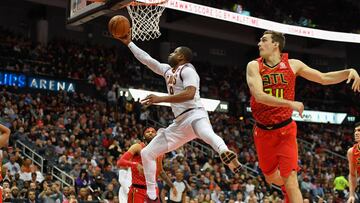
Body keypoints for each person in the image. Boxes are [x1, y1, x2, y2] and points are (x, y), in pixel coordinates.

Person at [117, 31, 242, 202]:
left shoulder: (188, 70)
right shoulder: (168, 70)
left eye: (174, 52)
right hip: (179, 123)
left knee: (207, 134)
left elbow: (190, 94)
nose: (170, 53)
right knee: (147, 153)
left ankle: (225, 152)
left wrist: (160, 99)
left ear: (182, 57)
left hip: (195, 113)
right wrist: (129, 43)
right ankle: (152, 192)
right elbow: (147, 60)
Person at [246, 30, 360, 203]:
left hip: (286, 129)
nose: (259, 44)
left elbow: (323, 77)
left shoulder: (293, 64)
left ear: (275, 44)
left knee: (291, 179)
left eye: (264, 40)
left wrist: (349, 71)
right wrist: (290, 103)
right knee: (270, 178)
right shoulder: (254, 66)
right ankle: (285, 186)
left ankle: (290, 189)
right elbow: (259, 96)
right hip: (262, 131)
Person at [117, 127, 177, 202]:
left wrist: (172, 186)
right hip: (138, 190)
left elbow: (160, 171)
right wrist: (135, 164)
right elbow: (120, 161)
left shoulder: (160, 151)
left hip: (153, 190)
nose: (150, 133)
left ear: (156, 136)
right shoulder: (137, 147)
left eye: (153, 131)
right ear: (143, 136)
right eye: (148, 132)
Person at [347, 122, 360, 203]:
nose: (356, 133)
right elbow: (352, 175)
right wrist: (351, 194)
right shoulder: (351, 151)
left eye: (359, 130)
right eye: (355, 131)